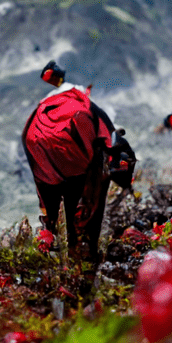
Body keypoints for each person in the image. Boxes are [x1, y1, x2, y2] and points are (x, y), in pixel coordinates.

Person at [22, 61, 113, 279]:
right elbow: (106, 131)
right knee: (79, 202)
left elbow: (26, 138)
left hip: (40, 152)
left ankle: (49, 246)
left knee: (52, 212)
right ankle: (83, 258)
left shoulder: (42, 105)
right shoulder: (80, 98)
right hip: (75, 159)